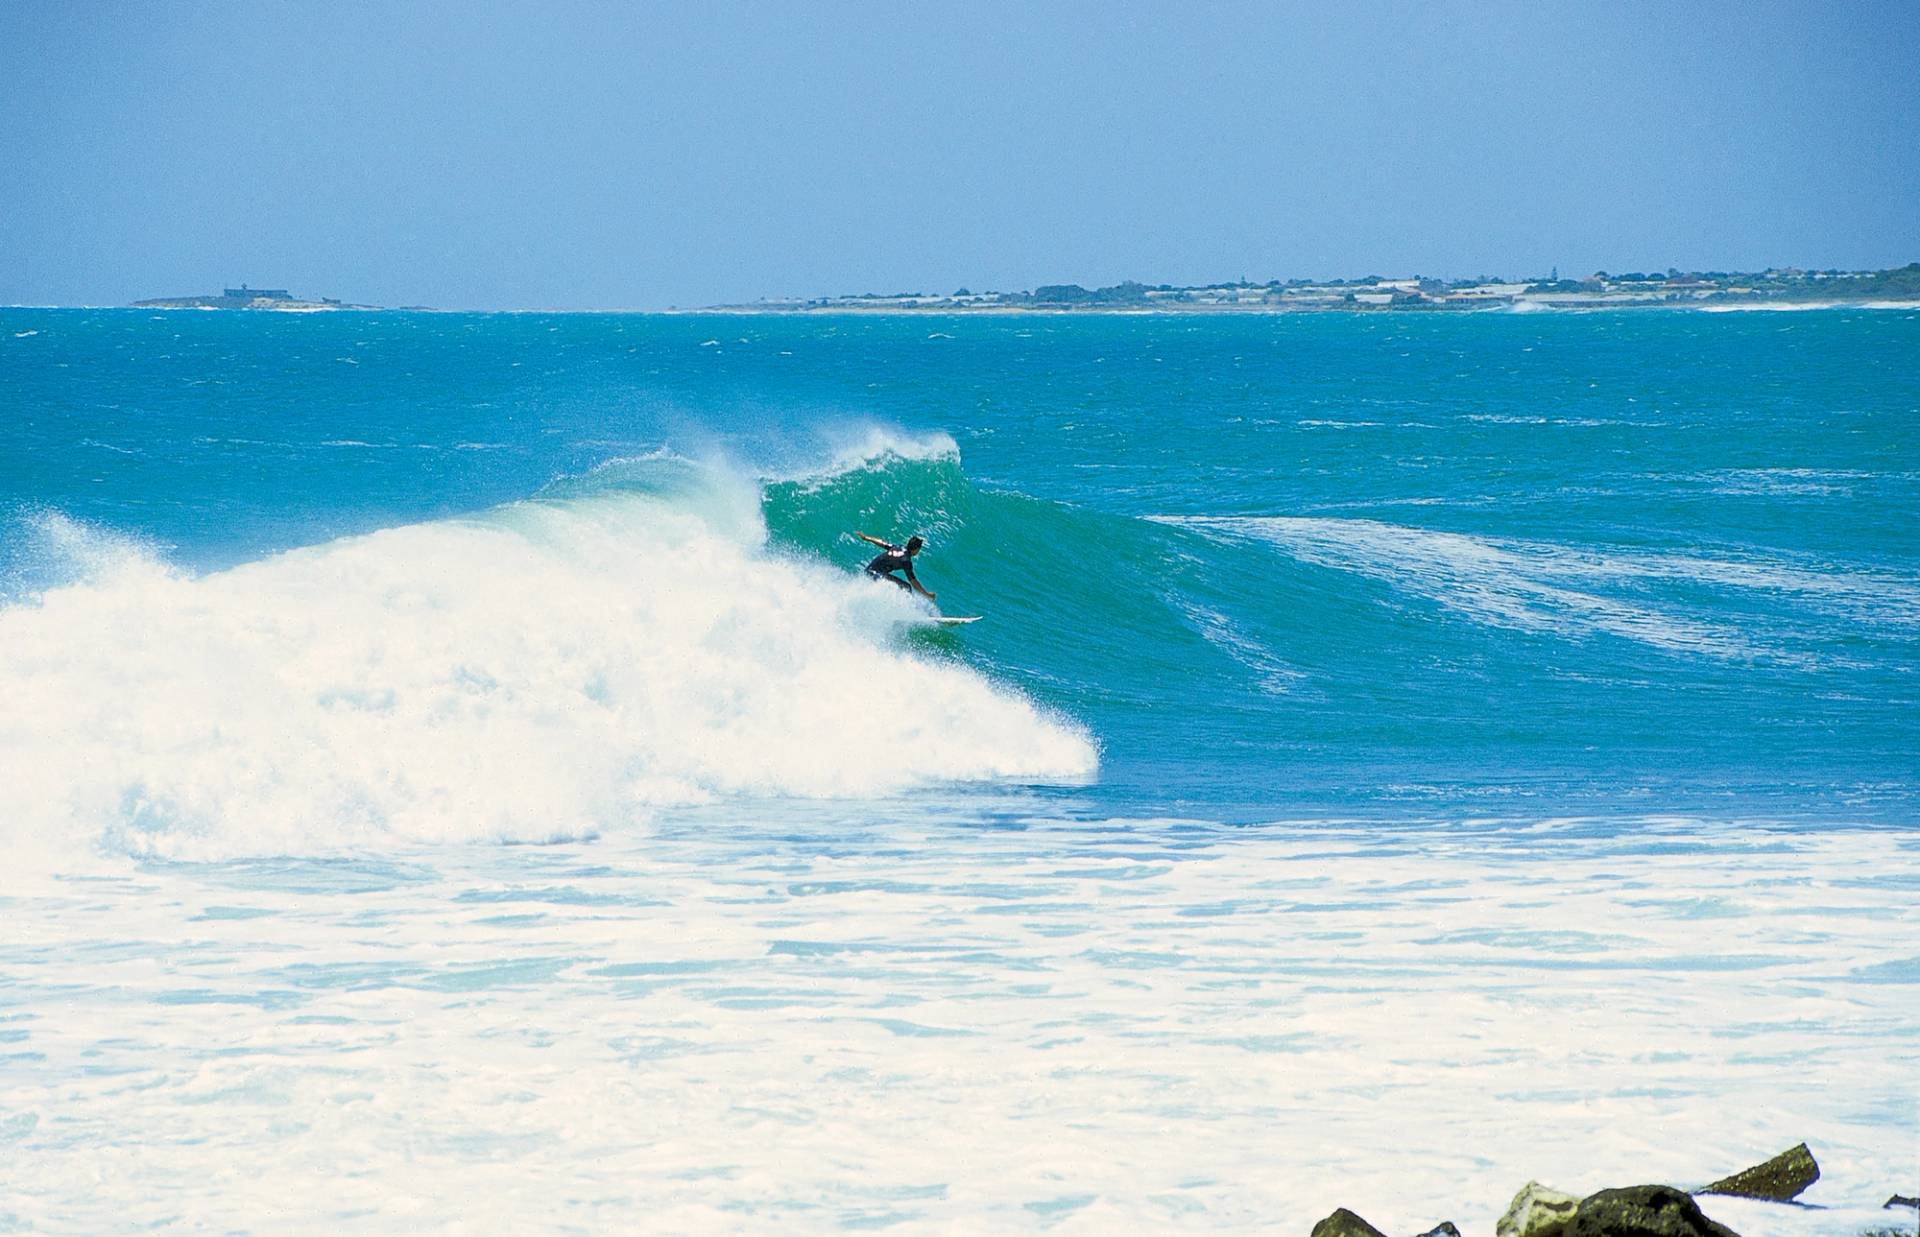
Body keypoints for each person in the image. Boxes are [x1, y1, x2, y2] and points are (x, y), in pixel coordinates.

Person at [855, 530, 936, 601]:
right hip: (876, 574)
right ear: (916, 549)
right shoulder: (906, 561)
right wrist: (927, 594)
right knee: (907, 587)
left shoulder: (898, 547)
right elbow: (914, 583)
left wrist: (866, 537)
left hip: (869, 571)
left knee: (899, 586)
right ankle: (904, 610)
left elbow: (882, 543)